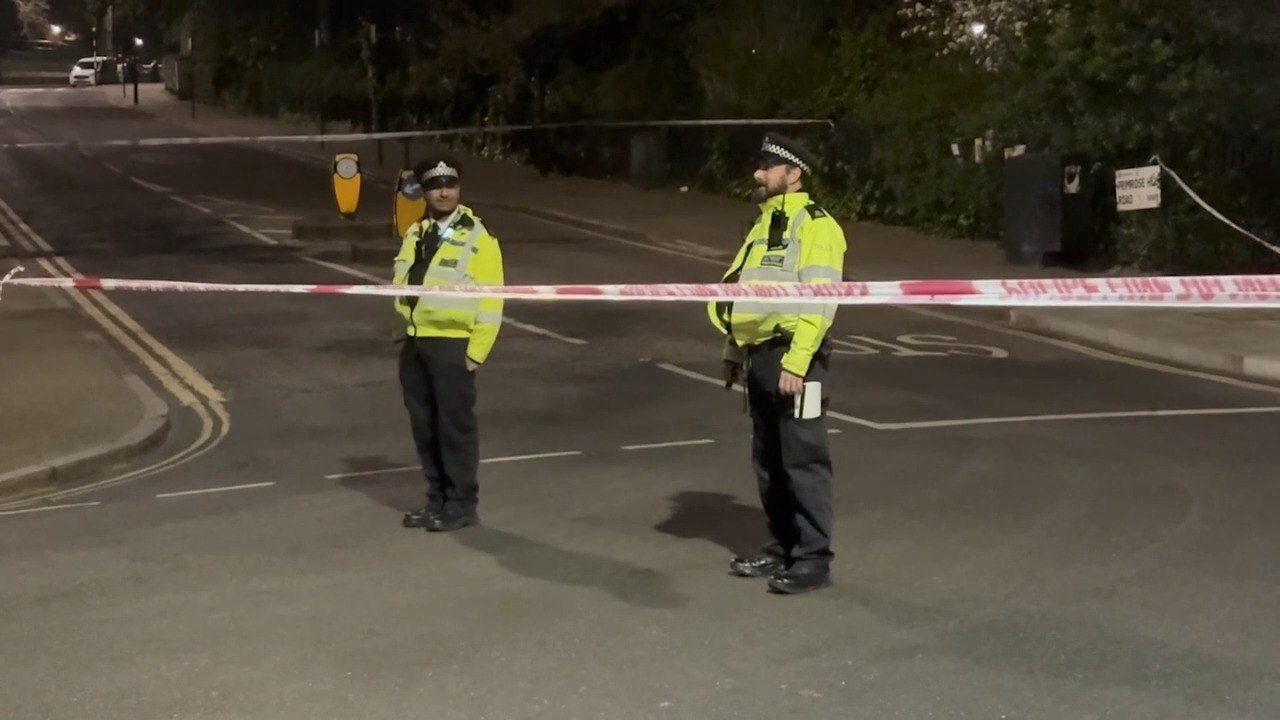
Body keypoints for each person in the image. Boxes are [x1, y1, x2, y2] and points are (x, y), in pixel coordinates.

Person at [707, 132, 847, 594]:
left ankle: (812, 560)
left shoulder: (817, 226)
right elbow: (742, 296)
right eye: (760, 163)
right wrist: (733, 352)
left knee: (803, 460)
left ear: (793, 174)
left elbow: (821, 302)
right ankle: (781, 547)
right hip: (759, 358)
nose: (758, 172)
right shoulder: (763, 226)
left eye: (768, 165)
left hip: (795, 359)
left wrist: (798, 361)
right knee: (769, 461)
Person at [393, 154, 504, 532]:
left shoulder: (478, 235)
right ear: (424, 192)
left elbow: (493, 299)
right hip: (416, 343)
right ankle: (436, 499)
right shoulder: (415, 233)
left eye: (450, 185)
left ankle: (461, 504)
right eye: (436, 187)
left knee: (454, 428)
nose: (444, 192)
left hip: (454, 345)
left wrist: (476, 352)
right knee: (424, 427)